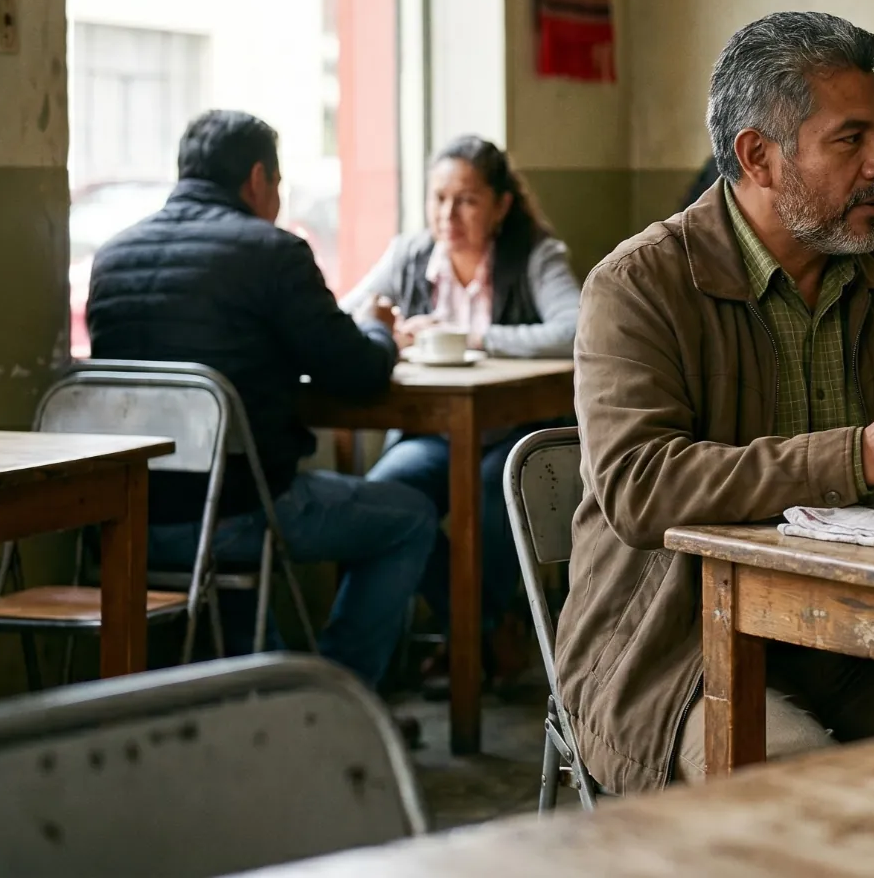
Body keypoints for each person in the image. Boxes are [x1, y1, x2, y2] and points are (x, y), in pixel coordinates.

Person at [555, 11, 874, 793]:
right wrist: (860, 454)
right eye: (852, 139)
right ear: (758, 156)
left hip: (866, 637)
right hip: (679, 654)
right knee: (803, 791)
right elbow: (640, 487)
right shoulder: (639, 285)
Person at [85, 110, 435, 690]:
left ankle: (280, 700)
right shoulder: (273, 253)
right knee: (410, 518)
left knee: (236, 534)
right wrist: (379, 328)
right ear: (257, 178)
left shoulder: (112, 255)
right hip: (237, 516)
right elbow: (359, 372)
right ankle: (336, 699)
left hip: (129, 518)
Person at [342, 135, 580, 676]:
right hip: (430, 434)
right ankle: (487, 631)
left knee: (494, 494)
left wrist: (473, 335)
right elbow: (346, 316)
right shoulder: (408, 255)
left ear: (500, 206)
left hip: (514, 431)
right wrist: (388, 331)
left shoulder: (534, 254)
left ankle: (470, 642)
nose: (448, 214)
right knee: (387, 497)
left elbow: (575, 329)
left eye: (467, 200)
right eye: (439, 198)